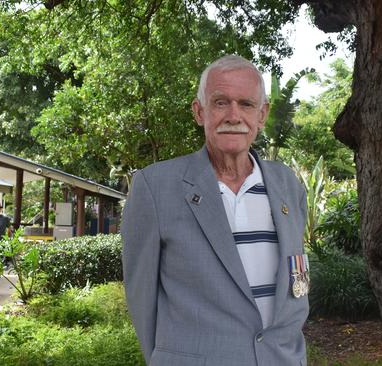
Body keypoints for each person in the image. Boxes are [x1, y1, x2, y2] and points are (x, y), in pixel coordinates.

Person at [122, 55, 309, 366]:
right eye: (221, 102)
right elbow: (142, 301)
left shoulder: (287, 184)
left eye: (246, 104)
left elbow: (295, 286)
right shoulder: (155, 187)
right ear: (199, 112)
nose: (234, 115)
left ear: (262, 115)